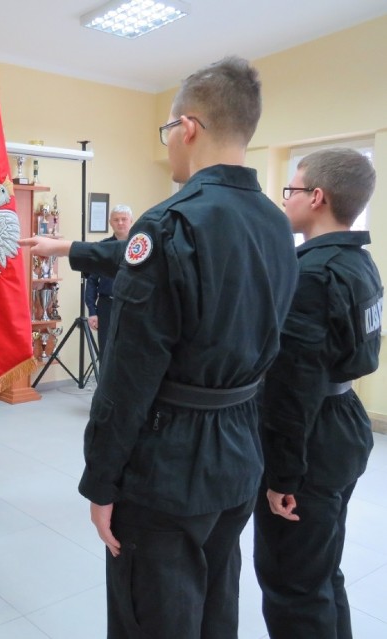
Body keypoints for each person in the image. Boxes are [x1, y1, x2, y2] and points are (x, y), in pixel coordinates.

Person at [20, 56, 299, 638]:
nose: (169, 144)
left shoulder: (169, 223)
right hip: (240, 451)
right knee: (217, 602)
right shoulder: (276, 222)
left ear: (188, 127)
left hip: (169, 464)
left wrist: (101, 481)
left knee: (152, 616)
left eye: (167, 131)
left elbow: (129, 373)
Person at [254, 148, 381, 639]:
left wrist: (283, 476)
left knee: (293, 586)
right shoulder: (358, 261)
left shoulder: (310, 275)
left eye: (292, 190)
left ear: (318, 197)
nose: (286, 200)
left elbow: (292, 388)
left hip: (312, 439)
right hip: (345, 421)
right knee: (322, 570)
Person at [84, 204, 132, 360]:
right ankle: (106, 384)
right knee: (106, 351)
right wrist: (92, 311)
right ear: (110, 223)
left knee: (129, 351)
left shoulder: (139, 246)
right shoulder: (103, 247)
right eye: (116, 219)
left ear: (131, 221)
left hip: (132, 305)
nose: (120, 223)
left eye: (124, 219)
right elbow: (92, 281)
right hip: (106, 306)